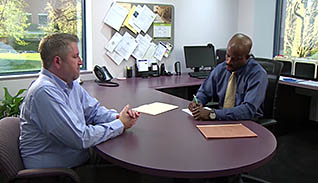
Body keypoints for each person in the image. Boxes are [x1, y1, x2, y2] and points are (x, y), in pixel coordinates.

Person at [19, 33, 140, 169]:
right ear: (57, 61)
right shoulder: (44, 92)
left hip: (77, 158)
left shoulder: (69, 83)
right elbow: (80, 138)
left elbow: (93, 112)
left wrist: (117, 117)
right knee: (129, 172)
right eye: (75, 57)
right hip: (57, 173)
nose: (81, 61)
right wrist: (119, 124)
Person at [188, 33, 268, 121]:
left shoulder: (257, 74)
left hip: (247, 122)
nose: (228, 61)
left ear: (247, 57)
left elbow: (248, 110)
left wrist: (213, 114)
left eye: (235, 59)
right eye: (228, 56)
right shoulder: (221, 69)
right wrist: (197, 103)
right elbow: (205, 92)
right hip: (222, 118)